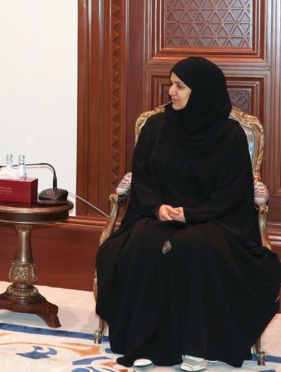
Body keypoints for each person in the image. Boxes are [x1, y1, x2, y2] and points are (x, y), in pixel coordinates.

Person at [96, 57, 281, 371]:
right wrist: (157, 207)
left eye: (180, 85)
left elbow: (232, 193)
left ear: (203, 91)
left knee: (196, 247)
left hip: (213, 219)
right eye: (171, 83)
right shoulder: (156, 127)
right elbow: (144, 177)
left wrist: (191, 214)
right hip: (158, 214)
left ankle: (199, 345)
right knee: (143, 244)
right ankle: (145, 342)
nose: (171, 91)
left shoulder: (230, 135)